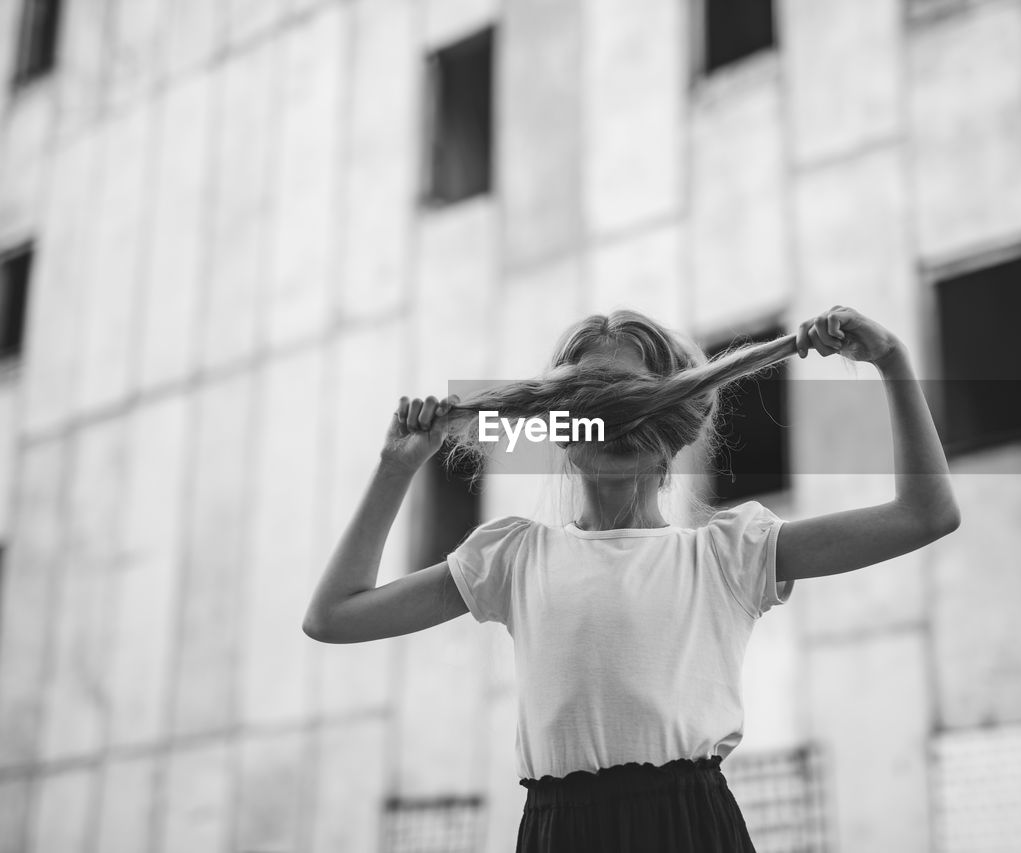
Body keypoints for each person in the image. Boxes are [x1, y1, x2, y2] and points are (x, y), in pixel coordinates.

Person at [303, 306, 960, 852]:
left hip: (690, 828)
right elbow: (334, 616)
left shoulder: (729, 553)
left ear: (675, 425)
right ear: (562, 426)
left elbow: (925, 514)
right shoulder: (512, 556)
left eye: (636, 399)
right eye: (591, 400)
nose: (615, 421)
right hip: (558, 834)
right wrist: (396, 468)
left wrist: (892, 360)